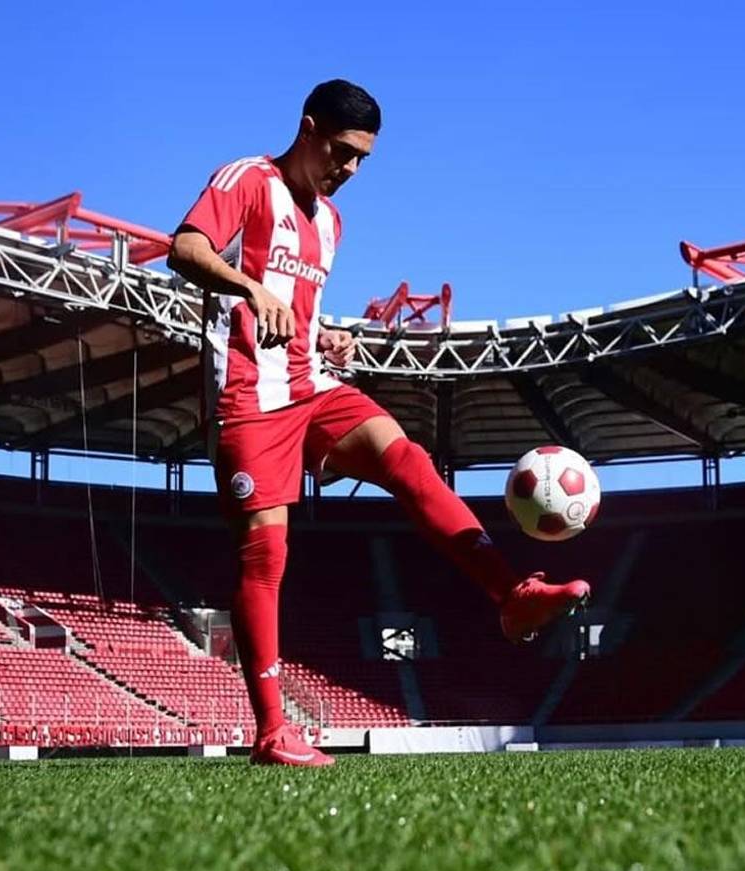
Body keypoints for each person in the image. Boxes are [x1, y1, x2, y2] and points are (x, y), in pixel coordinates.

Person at [168, 79, 589, 767]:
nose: (350, 169)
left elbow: (297, 307)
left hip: (310, 383)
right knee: (265, 555)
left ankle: (511, 593)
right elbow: (184, 248)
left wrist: (326, 334)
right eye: (341, 150)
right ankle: (274, 730)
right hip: (249, 393)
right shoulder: (246, 180)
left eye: (362, 158)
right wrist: (250, 289)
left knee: (408, 459)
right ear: (307, 128)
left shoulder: (330, 222)